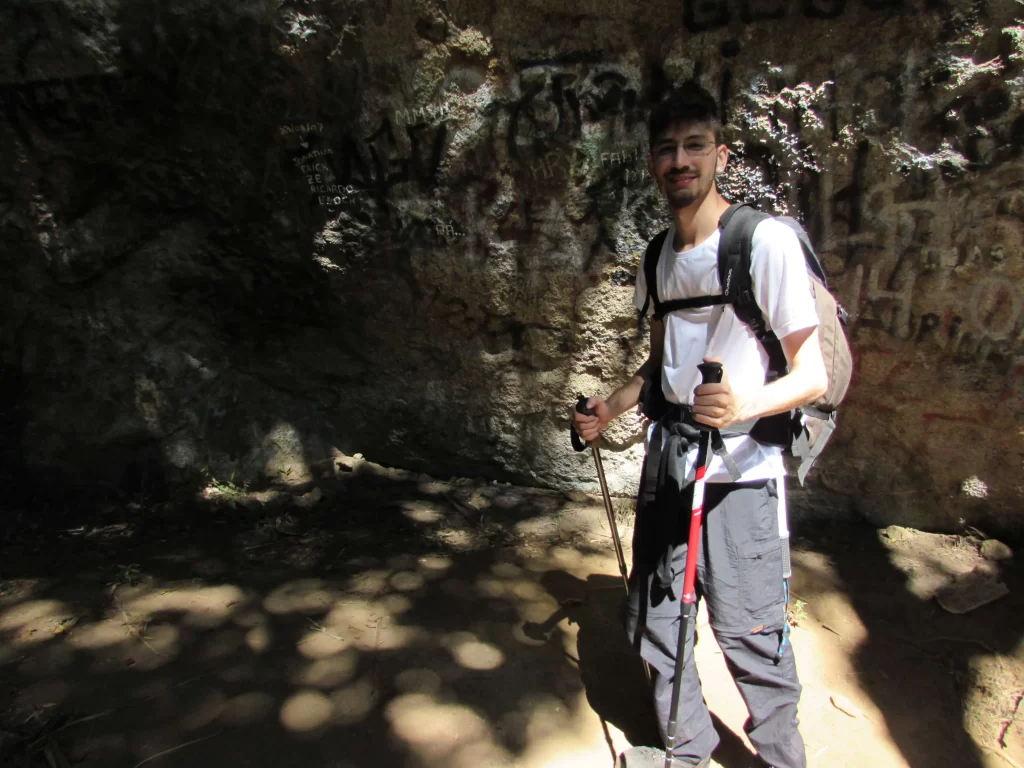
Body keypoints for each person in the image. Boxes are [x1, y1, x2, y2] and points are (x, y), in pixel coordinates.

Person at [572, 83, 827, 768]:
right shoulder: (659, 257)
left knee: (749, 630)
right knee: (656, 617)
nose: (679, 161)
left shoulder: (763, 243)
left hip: (742, 472)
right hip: (670, 460)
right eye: (666, 150)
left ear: (718, 153)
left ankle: (781, 761)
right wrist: (612, 408)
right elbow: (662, 367)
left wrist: (744, 404)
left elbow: (814, 375)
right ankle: (686, 748)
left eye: (693, 146)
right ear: (653, 163)